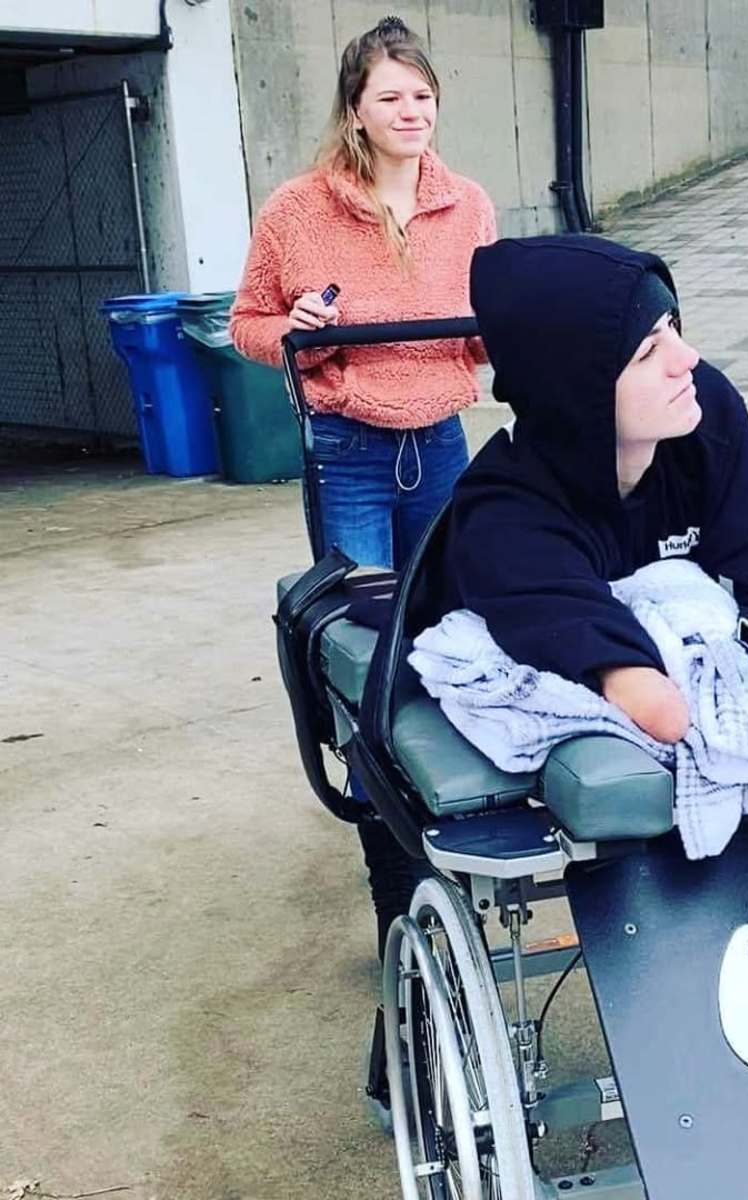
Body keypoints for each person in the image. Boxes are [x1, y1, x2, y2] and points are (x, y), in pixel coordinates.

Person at [422, 235, 748, 756]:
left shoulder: (706, 411)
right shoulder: (504, 509)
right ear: (575, 394)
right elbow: (584, 634)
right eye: (648, 351)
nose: (687, 358)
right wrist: (627, 670)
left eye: (673, 327)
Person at [230, 16, 496, 957]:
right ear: (356, 107)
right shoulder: (297, 210)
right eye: (391, 95)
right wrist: (294, 326)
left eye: (423, 94)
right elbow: (249, 325)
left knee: (454, 630)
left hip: (444, 441)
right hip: (348, 444)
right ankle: (395, 880)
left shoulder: (466, 203)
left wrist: (504, 340)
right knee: (365, 653)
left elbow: (484, 321)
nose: (411, 110)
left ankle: (462, 825)